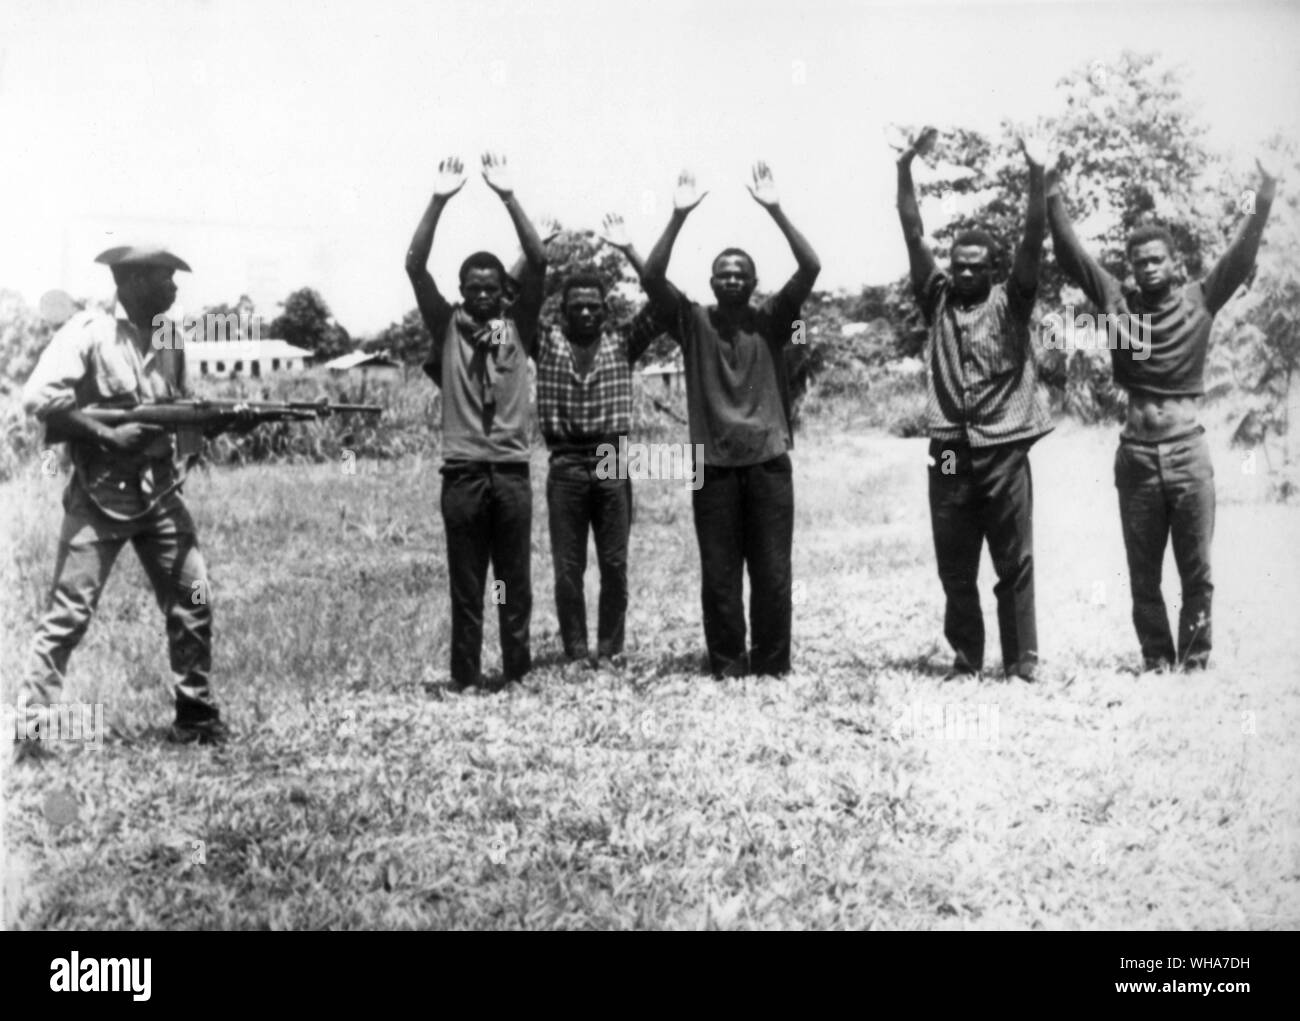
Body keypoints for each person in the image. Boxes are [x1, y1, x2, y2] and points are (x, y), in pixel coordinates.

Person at [1047, 157, 1278, 671]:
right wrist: (1051, 186)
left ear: (1174, 264)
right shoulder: (1117, 304)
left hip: (1188, 453)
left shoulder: (1200, 300)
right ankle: (1155, 657)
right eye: (1138, 261)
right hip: (1135, 456)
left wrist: (1264, 193)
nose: (1147, 267)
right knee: (1143, 571)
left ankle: (1195, 660)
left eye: (1156, 259)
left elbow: (1240, 257)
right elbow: (1072, 255)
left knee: (1197, 569)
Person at [16, 245, 234, 762]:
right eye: (165, 281)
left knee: (195, 597)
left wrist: (215, 423)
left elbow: (180, 407)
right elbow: (40, 400)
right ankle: (31, 735)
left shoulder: (170, 337)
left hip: (159, 493)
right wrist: (105, 435)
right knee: (68, 615)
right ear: (132, 282)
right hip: (99, 497)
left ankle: (195, 715)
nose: (174, 290)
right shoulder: (88, 332)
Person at [642, 162, 820, 677]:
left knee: (772, 571)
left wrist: (775, 210)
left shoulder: (773, 320)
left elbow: (810, 268)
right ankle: (725, 661)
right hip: (711, 465)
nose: (733, 278)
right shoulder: (693, 322)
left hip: (767, 462)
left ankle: (771, 662)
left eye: (742, 272)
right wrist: (677, 216)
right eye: (724, 273)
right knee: (719, 574)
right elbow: (651, 276)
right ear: (712, 281)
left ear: (754, 281)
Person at [896, 127, 1053, 682]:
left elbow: (1034, 240)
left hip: (1004, 446)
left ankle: (1021, 660)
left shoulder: (1014, 301)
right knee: (954, 563)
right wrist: (904, 169)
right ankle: (966, 656)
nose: (962, 272)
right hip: (947, 450)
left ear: (993, 269)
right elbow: (914, 234)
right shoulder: (935, 299)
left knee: (1015, 561)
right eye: (957, 264)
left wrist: (1037, 173)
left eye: (975, 265)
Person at [405, 153, 547, 691]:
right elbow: (415, 266)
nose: (483, 296)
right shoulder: (449, 326)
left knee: (512, 581)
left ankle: (516, 672)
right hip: (463, 475)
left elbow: (538, 263)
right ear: (462, 290)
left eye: (492, 288)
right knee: (468, 584)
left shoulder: (519, 327)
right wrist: (439, 199)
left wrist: (508, 196)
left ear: (503, 293)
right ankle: (464, 676)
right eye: (474, 287)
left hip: (510, 472)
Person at [533, 214, 670, 666]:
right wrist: (537, 247)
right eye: (578, 306)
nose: (586, 312)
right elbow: (516, 306)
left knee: (614, 565)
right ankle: (575, 651)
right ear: (563, 310)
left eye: (594, 306)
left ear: (605, 310)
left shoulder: (622, 342)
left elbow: (663, 302)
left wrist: (630, 249)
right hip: (566, 462)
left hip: (611, 459)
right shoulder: (547, 343)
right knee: (568, 570)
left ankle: (609, 650)